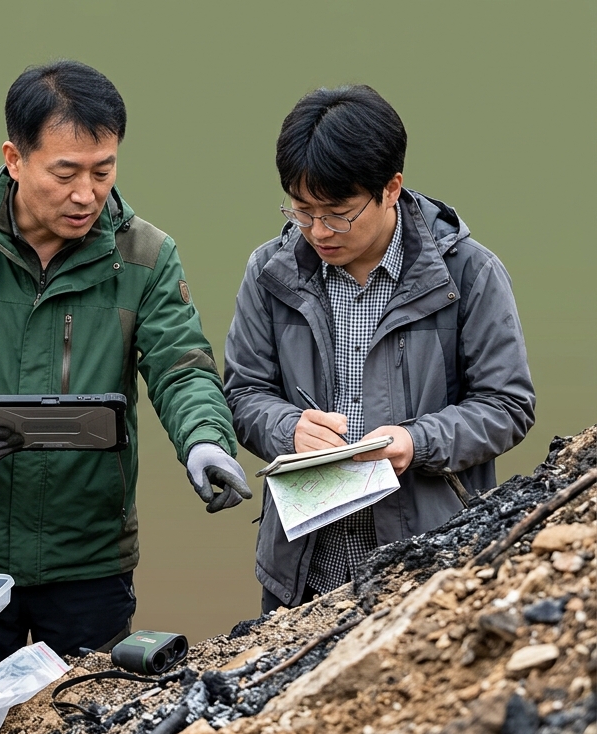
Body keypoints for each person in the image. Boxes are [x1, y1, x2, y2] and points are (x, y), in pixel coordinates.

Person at [0, 60, 250, 701]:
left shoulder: (145, 257)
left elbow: (180, 366)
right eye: (65, 173)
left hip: (89, 561)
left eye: (104, 171)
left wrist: (205, 438)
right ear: (14, 159)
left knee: (85, 724)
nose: (86, 194)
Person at [223, 85, 536, 613]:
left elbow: (507, 405)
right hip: (303, 573)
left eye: (338, 213)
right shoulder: (270, 272)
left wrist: (417, 442)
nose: (318, 231)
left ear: (391, 188)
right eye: (301, 211)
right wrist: (288, 428)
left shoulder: (468, 274)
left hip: (429, 570)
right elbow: (244, 392)